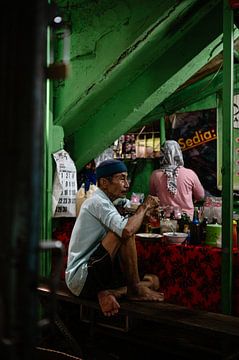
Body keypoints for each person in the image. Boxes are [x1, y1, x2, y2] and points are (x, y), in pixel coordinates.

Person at [65, 159, 164, 317]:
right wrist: (144, 207)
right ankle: (134, 290)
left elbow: (131, 221)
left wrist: (144, 214)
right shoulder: (97, 202)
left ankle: (112, 292)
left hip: (99, 269)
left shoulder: (112, 202)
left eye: (127, 178)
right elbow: (126, 230)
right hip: (82, 278)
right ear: (104, 182)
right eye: (121, 178)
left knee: (153, 280)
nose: (127, 183)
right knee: (124, 232)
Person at [149, 140, 205, 220]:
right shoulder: (190, 174)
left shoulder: (155, 175)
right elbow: (200, 196)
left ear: (163, 154)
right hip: (187, 220)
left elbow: (153, 197)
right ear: (179, 153)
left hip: (164, 220)